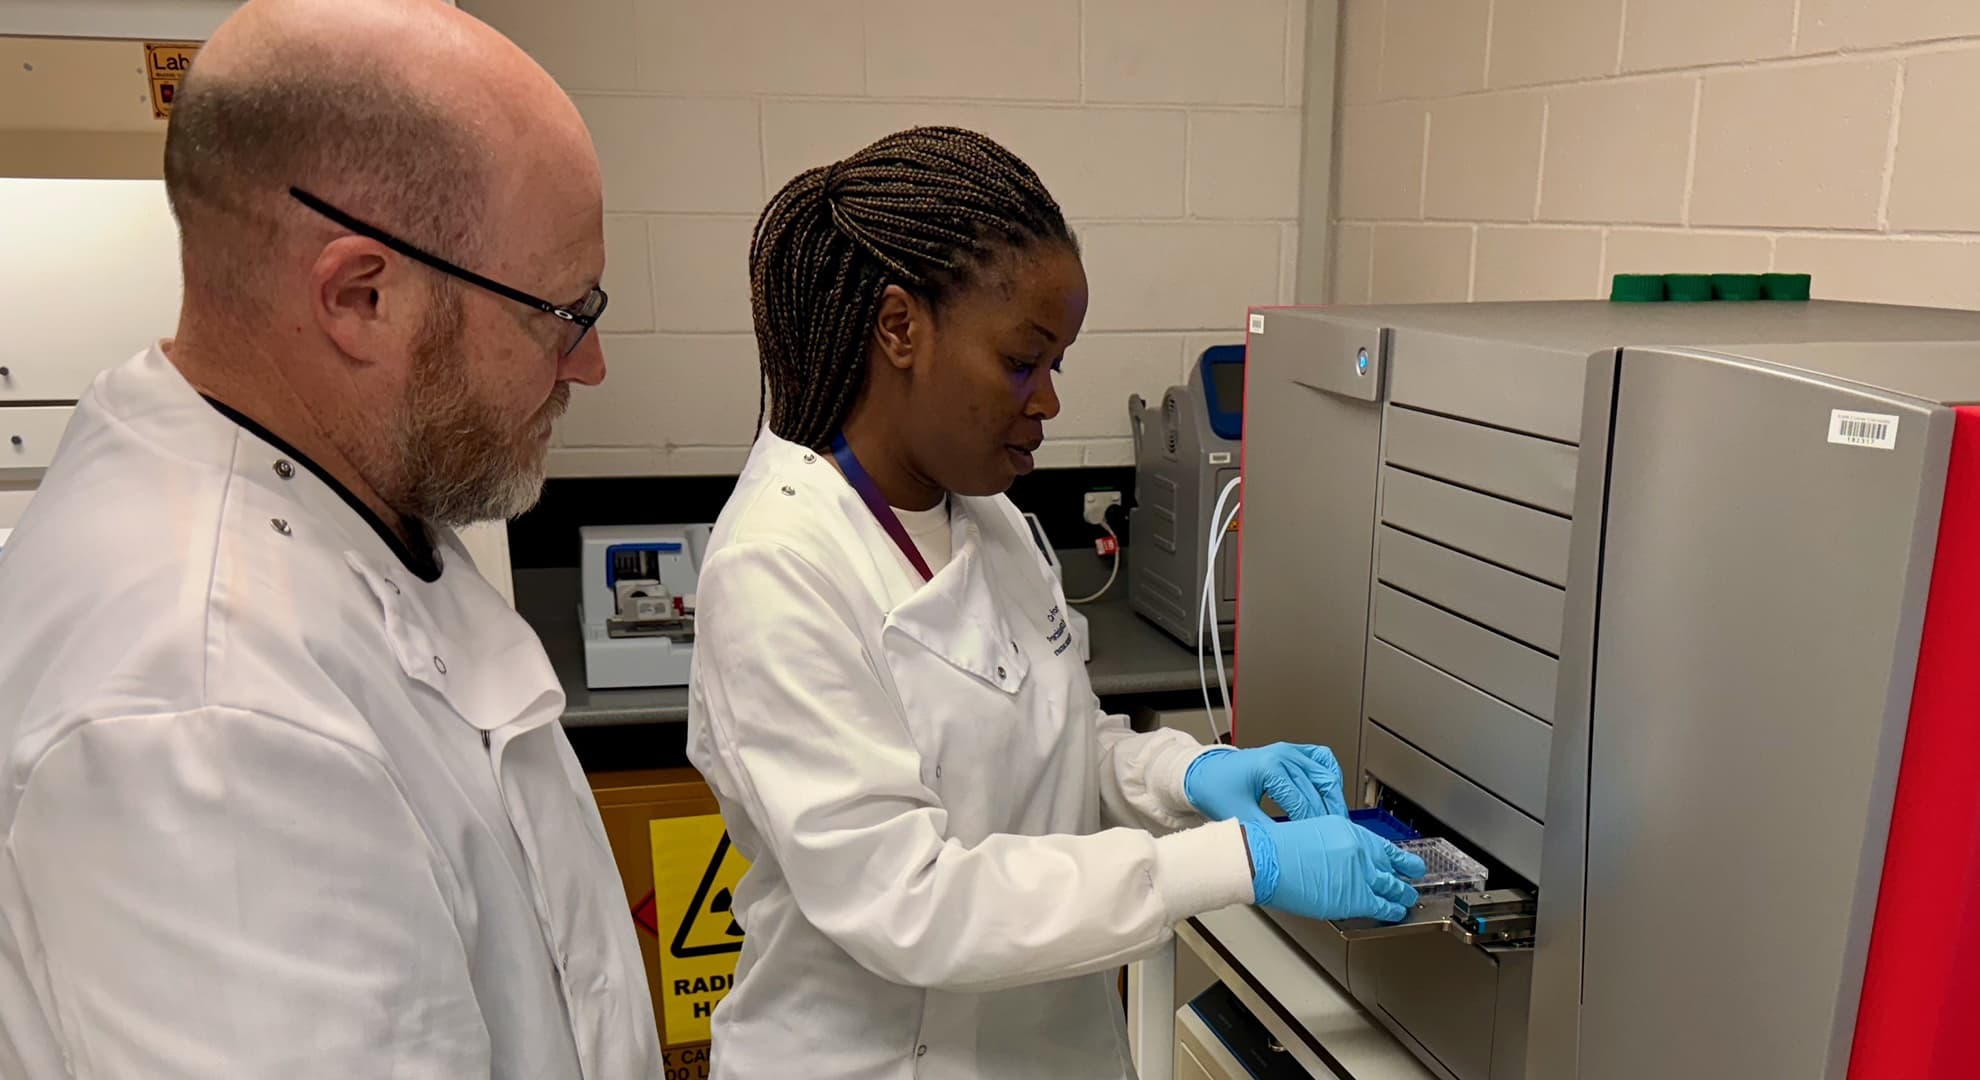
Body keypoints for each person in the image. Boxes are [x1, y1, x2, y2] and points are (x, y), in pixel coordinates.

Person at [0, 1, 660, 1076]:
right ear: (362, 295)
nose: (587, 367)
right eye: (560, 315)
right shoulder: (206, 709)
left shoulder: (354, 498)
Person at [685, 126, 1427, 1079]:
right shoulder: (778, 567)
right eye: (1022, 362)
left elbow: (1063, 738)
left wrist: (1184, 776)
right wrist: (1236, 863)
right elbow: (912, 903)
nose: (1048, 403)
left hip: (1051, 1046)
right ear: (900, 327)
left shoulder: (986, 515)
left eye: (1057, 367)